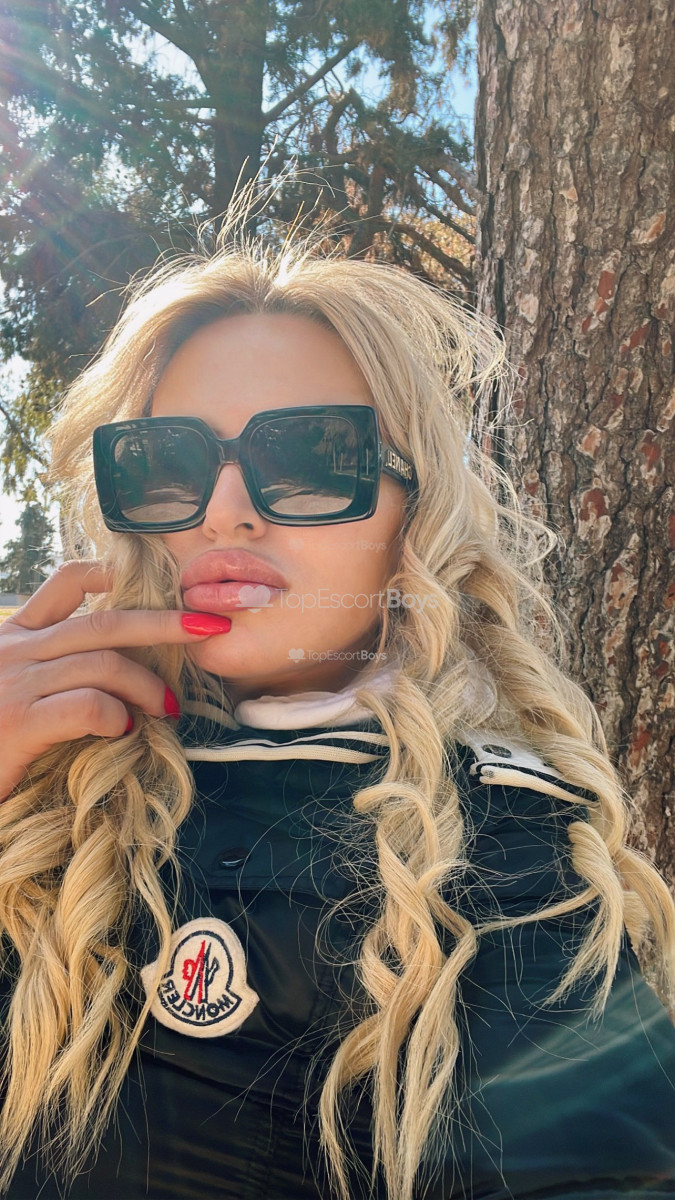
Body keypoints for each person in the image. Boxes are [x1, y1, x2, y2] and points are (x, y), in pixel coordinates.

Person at [0, 209, 673, 1200]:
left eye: (310, 457)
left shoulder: (506, 857)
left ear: (415, 513)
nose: (225, 511)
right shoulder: (48, 781)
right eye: (169, 462)